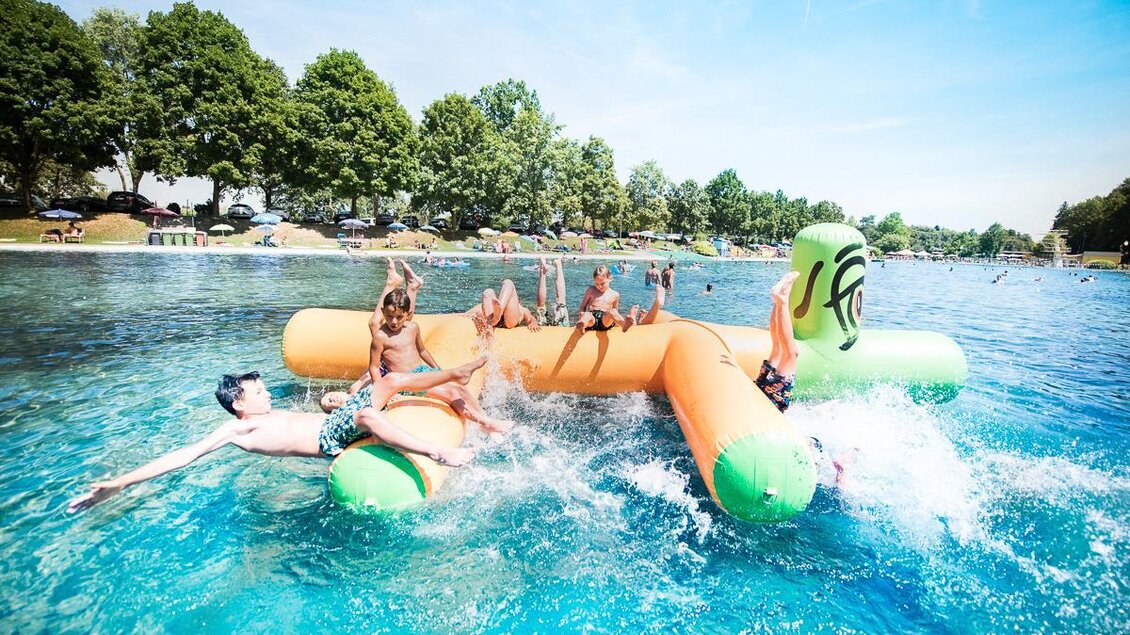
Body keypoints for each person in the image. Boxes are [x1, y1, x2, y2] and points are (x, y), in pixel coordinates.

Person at [67, 357, 491, 513]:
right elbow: (183, 455)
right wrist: (119, 483)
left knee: (391, 378)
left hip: (331, 426)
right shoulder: (237, 428)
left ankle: (452, 375)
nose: (267, 393)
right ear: (239, 404)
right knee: (366, 416)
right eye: (258, 391)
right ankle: (438, 452)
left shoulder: (267, 413)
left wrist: (339, 398)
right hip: (331, 440)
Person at [374, 288, 514, 433]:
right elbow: (374, 367)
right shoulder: (380, 337)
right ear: (383, 311)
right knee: (451, 393)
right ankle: (484, 422)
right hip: (406, 382)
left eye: (398, 317)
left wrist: (438, 371)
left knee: (459, 387)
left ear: (408, 314)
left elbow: (422, 351)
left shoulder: (412, 328)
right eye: (389, 316)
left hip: (422, 373)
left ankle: (485, 420)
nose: (394, 321)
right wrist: (385, 391)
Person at [756, 271, 800, 414]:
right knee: (779, 349)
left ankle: (781, 300)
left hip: (769, 402)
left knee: (790, 353)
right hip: (761, 393)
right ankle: (779, 300)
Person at [575, 265, 638, 332]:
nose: (599, 286)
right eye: (597, 284)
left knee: (612, 311)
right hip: (591, 320)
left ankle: (624, 324)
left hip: (605, 321)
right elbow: (583, 306)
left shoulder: (615, 294)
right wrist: (582, 316)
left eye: (602, 284)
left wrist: (616, 321)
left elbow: (615, 311)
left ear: (610, 278)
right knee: (586, 314)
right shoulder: (591, 290)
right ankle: (582, 325)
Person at [464, 279, 540, 333]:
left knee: (505, 284)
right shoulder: (521, 309)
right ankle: (495, 318)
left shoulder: (522, 309)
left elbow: (531, 319)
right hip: (496, 320)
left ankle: (497, 315)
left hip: (508, 321)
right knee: (488, 292)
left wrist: (533, 323)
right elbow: (531, 318)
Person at [535, 257, 570, 327]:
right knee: (560, 302)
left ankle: (543, 269)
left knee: (541, 307)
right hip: (561, 330)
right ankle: (557, 265)